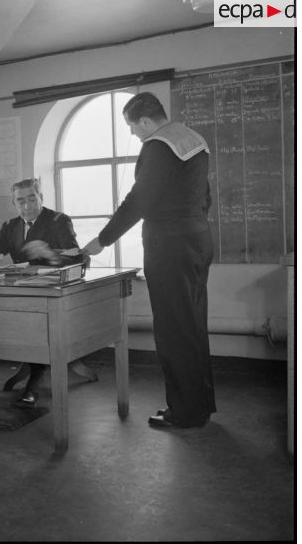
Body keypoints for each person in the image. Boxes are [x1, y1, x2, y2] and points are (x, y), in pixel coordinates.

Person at [83, 92, 216, 429]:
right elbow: (207, 196)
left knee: (173, 330)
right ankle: (199, 406)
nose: (133, 135)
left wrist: (102, 240)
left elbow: (137, 201)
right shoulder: (193, 140)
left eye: (132, 127)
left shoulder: (158, 145)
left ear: (145, 120)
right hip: (198, 239)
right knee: (193, 325)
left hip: (169, 246)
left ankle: (184, 413)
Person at [0, 178, 84, 408]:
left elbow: (78, 260)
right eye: (20, 201)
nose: (26, 206)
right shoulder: (11, 226)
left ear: (41, 198)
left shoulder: (58, 221)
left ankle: (32, 388)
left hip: (48, 297)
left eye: (31, 199)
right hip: (17, 294)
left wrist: (49, 253)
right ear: (14, 203)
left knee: (37, 327)